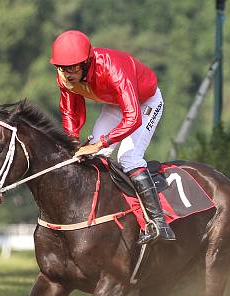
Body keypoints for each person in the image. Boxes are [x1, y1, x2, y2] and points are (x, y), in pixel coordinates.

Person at [50, 29, 175, 244]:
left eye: (71, 67)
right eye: (61, 67)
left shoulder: (112, 68)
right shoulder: (65, 77)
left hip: (145, 103)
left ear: (86, 62)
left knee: (128, 158)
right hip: (115, 104)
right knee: (88, 157)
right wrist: (72, 141)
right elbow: (70, 111)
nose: (66, 73)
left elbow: (133, 117)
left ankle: (158, 222)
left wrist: (100, 142)